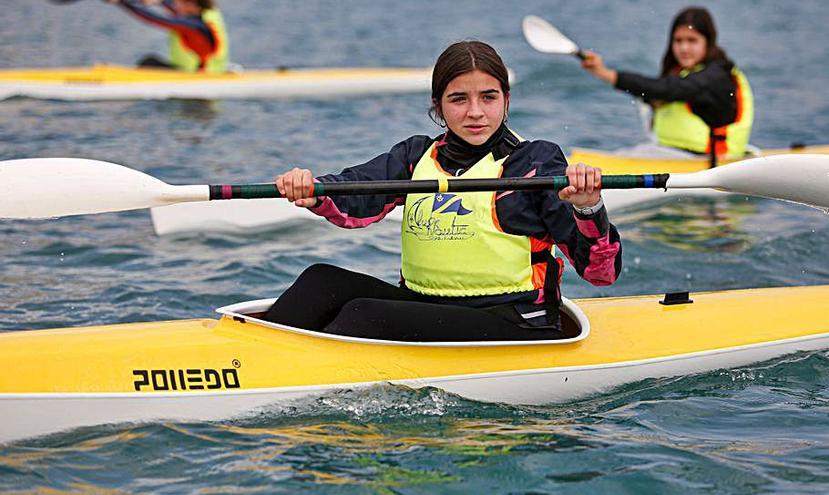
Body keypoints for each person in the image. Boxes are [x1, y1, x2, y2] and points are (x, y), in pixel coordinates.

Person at [266, 41, 622, 342]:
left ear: (506, 100)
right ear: (438, 106)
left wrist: (589, 207)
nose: (475, 112)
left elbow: (600, 273)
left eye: (488, 97)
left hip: (515, 323)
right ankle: (253, 360)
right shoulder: (416, 155)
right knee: (321, 281)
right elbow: (354, 194)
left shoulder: (534, 163)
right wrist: (314, 191)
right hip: (428, 309)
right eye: (458, 99)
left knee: (364, 313)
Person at [581, 6, 753, 164]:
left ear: (708, 42)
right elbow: (653, 91)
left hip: (710, 162)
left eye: (692, 40)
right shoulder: (684, 73)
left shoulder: (716, 77)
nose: (684, 48)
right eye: (678, 41)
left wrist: (606, 73)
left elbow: (665, 89)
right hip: (677, 155)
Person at [107, 0, 228, 73]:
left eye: (179, 2)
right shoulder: (206, 12)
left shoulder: (195, 24)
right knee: (150, 62)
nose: (175, 5)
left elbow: (155, 19)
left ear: (193, 5)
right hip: (204, 71)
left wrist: (122, 2)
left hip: (196, 74)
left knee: (149, 63)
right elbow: (168, 3)